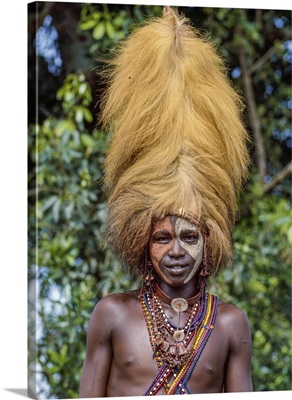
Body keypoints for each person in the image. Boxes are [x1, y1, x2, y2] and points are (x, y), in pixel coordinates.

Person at [79, 6, 253, 397]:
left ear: (209, 242)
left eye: (189, 237)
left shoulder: (229, 325)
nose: (176, 251)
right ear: (143, 241)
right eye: (162, 238)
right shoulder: (113, 315)